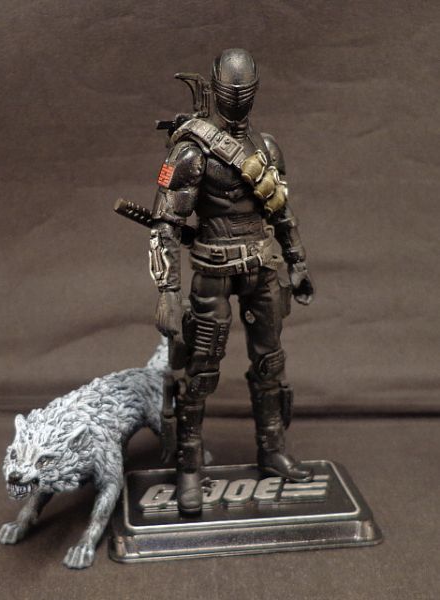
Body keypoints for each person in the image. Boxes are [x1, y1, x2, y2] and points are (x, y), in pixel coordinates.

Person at [149, 48, 315, 514]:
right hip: (213, 270)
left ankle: (272, 449)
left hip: (262, 267)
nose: (238, 99)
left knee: (270, 363)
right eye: (231, 91)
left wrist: (297, 260)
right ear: (216, 91)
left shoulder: (267, 149)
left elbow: (281, 210)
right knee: (201, 369)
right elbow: (166, 225)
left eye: (246, 91)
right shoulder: (192, 152)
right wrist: (167, 290)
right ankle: (188, 465)